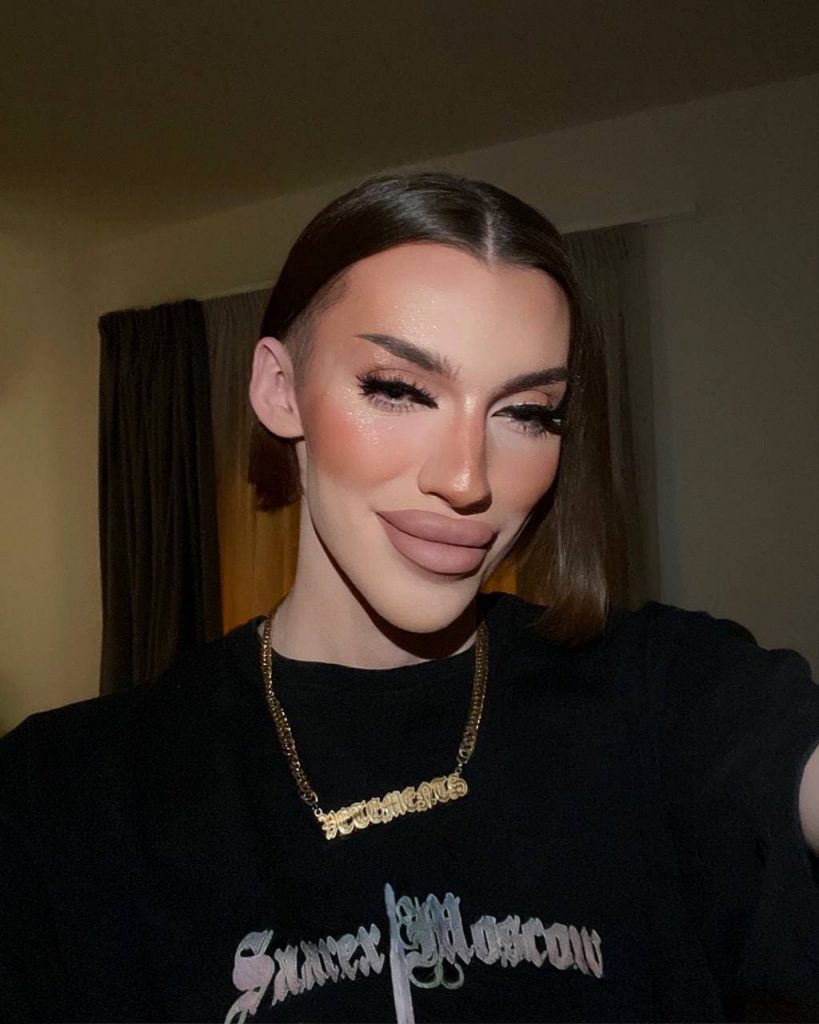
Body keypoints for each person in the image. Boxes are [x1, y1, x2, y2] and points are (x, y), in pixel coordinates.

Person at [1, 172, 817, 1023]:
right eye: (397, 390)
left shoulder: (658, 693)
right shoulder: (62, 798)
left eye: (527, 413)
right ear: (279, 389)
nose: (466, 479)